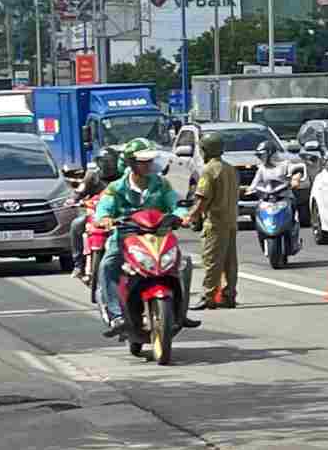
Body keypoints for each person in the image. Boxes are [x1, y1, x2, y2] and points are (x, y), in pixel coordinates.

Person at [93, 139, 196, 336]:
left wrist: (183, 215)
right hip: (125, 238)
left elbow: (175, 204)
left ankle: (180, 312)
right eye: (143, 161)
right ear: (131, 163)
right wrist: (105, 218)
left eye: (150, 161)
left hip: (158, 237)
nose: (148, 165)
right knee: (107, 266)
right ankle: (116, 316)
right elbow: (104, 207)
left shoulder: (161, 183)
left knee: (182, 265)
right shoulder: (116, 187)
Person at [183, 130, 239, 311]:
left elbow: (202, 198)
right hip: (231, 221)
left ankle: (208, 297)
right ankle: (229, 295)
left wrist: (190, 215)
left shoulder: (208, 170)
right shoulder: (230, 168)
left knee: (212, 261)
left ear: (206, 150)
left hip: (215, 223)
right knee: (230, 261)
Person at [69, 148, 122, 280]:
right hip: (95, 213)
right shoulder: (91, 176)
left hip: (118, 215)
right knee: (76, 225)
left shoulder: (123, 177)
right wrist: (73, 200)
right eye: (103, 162)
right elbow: (79, 192)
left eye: (110, 162)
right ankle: (78, 264)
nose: (107, 165)